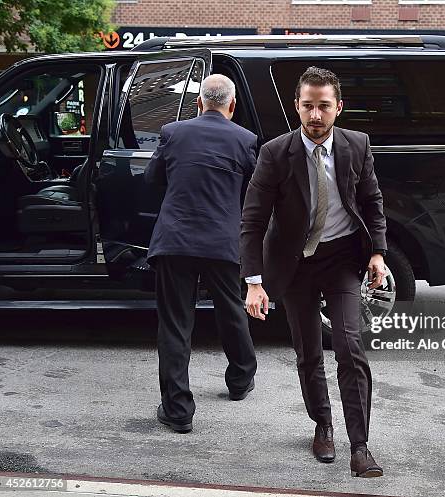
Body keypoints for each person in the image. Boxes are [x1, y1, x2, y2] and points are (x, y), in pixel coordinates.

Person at [241, 67, 386, 477]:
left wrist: (377, 252)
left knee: (350, 347)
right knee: (308, 352)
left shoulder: (357, 146)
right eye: (308, 106)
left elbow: (372, 201)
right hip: (294, 263)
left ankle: (360, 446)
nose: (316, 115)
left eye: (324, 106)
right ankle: (322, 424)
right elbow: (252, 222)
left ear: (338, 107)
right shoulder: (274, 153)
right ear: (297, 107)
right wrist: (254, 282)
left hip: (341, 259)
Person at [145, 74, 258, 434]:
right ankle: (240, 380)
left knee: (176, 324)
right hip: (222, 243)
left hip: (175, 240)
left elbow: (152, 179)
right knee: (230, 311)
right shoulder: (245, 140)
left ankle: (178, 410)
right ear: (232, 105)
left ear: (198, 102)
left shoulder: (173, 132)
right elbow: (255, 193)